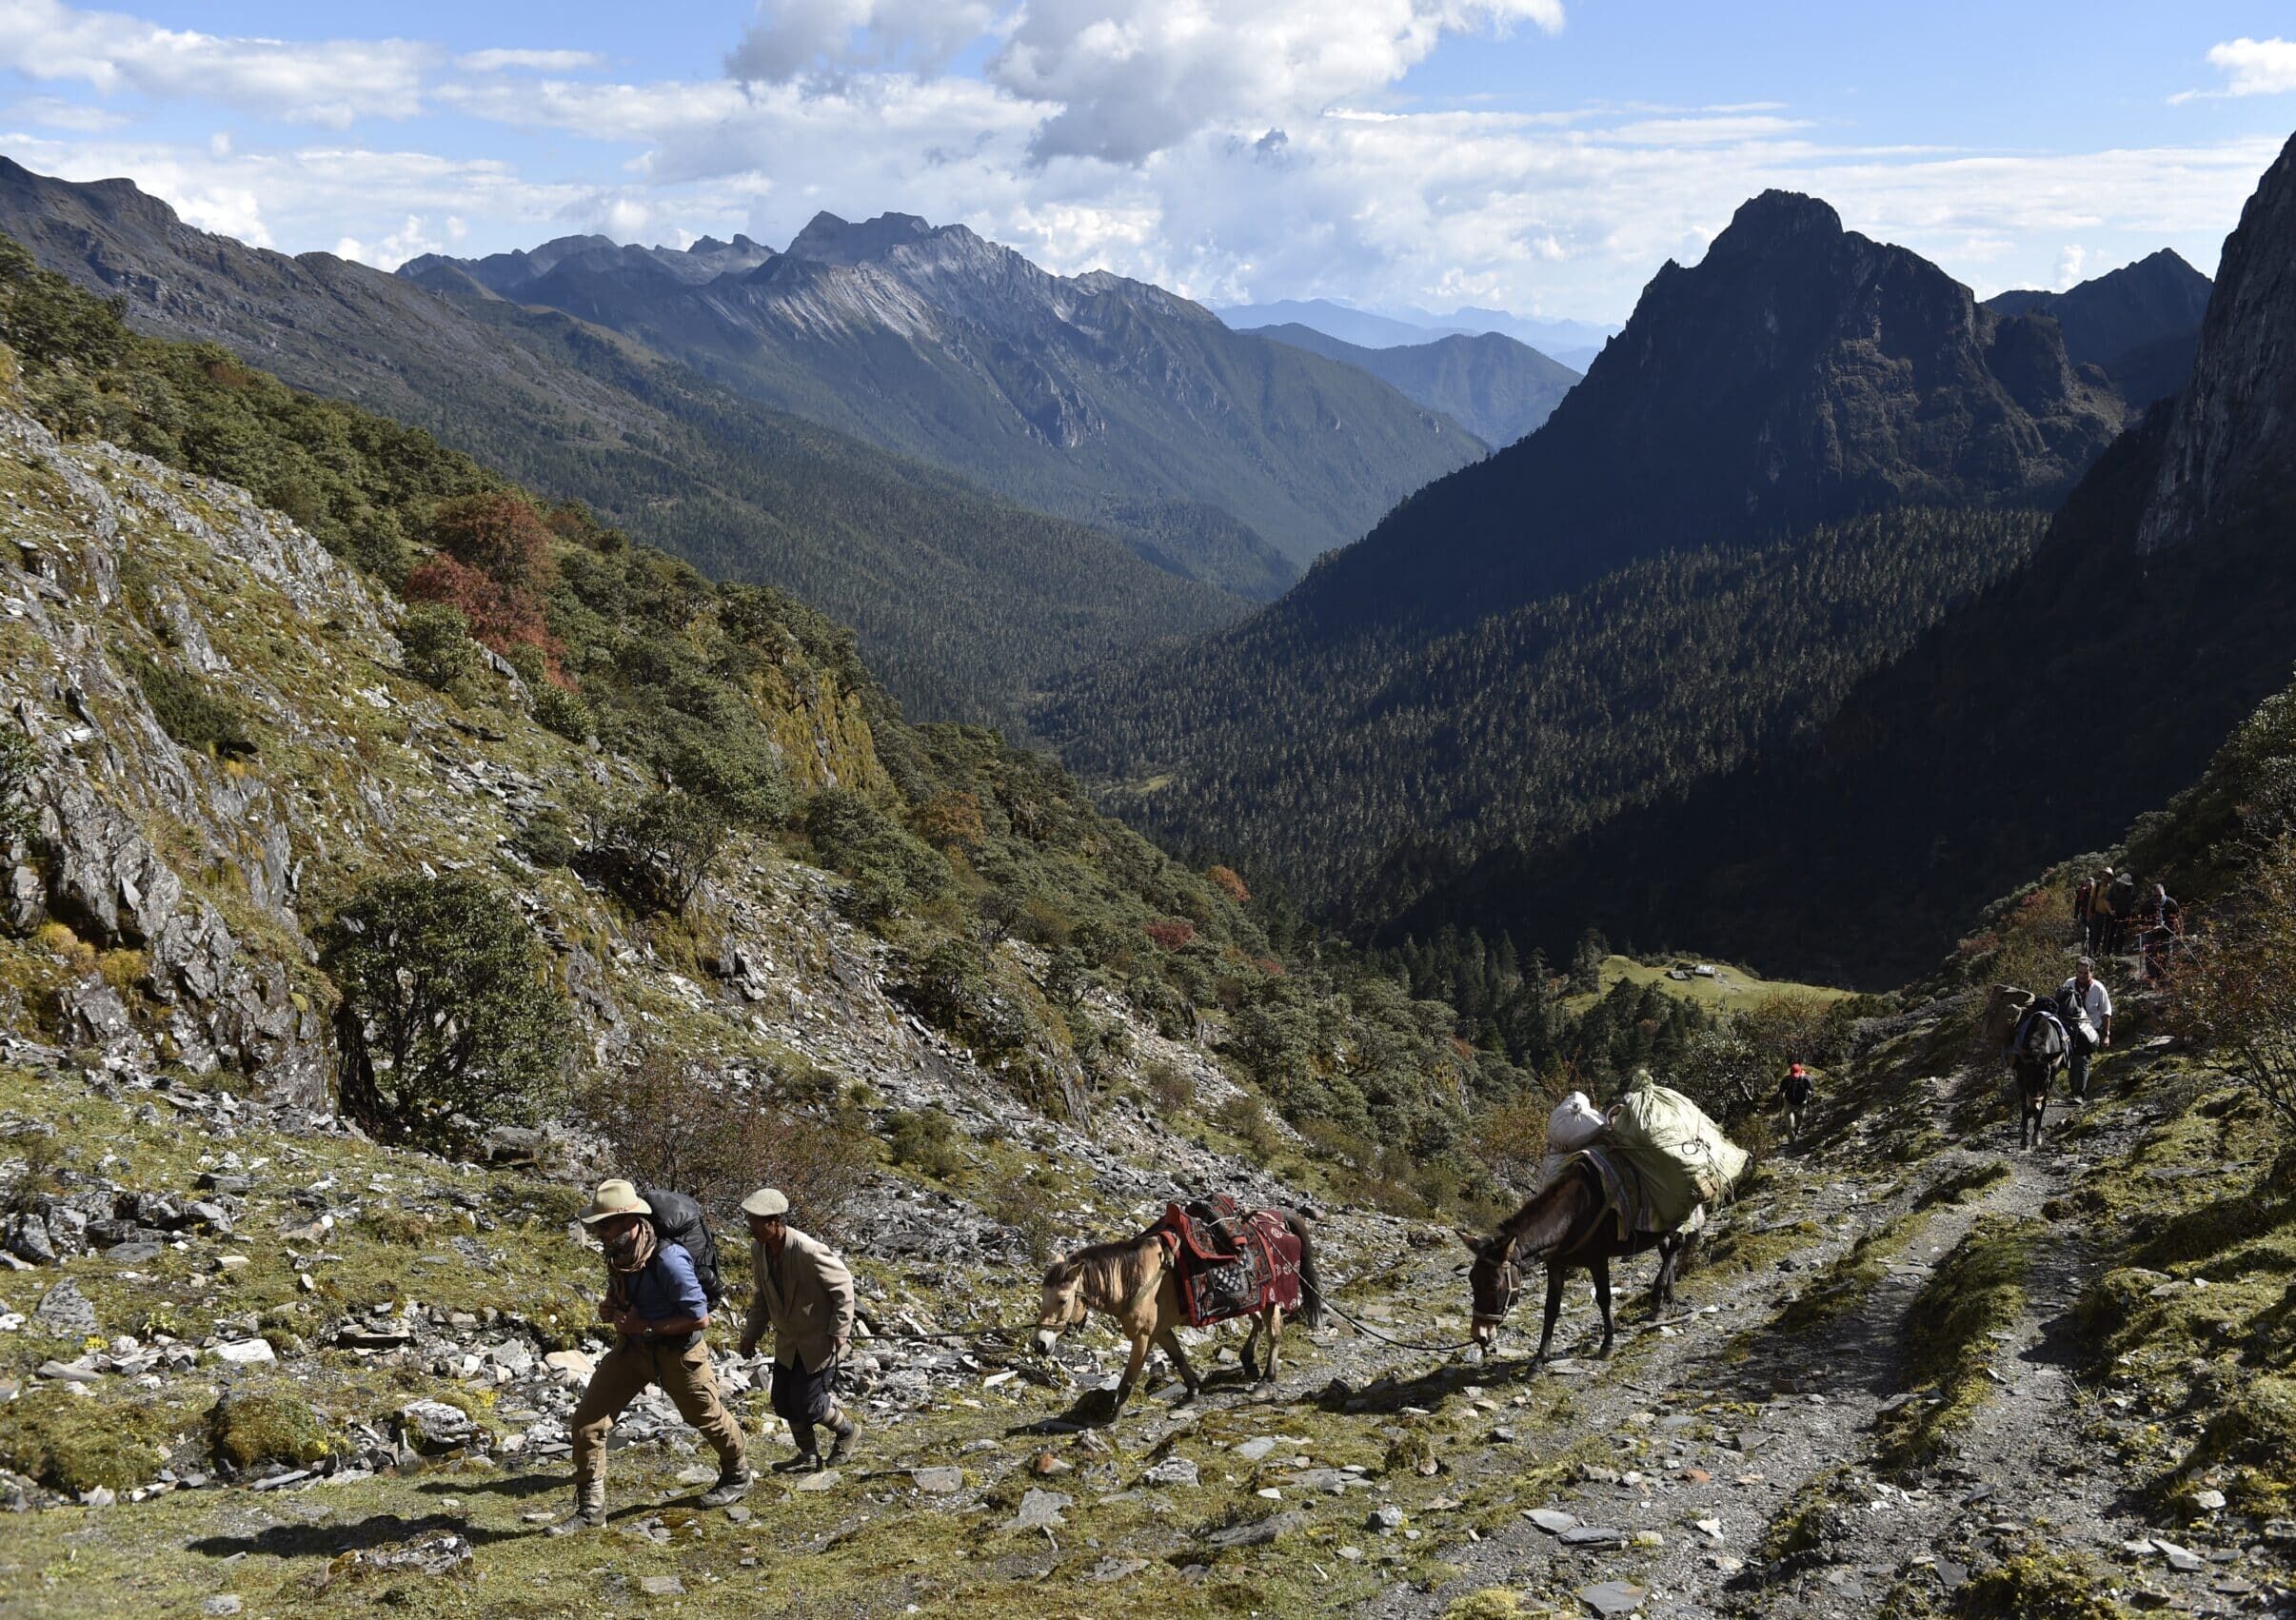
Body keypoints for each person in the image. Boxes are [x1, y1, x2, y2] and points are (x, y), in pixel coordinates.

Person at [552, 1180, 751, 1534]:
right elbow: (624, 1291)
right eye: (597, 1226)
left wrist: (646, 1325)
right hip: (632, 1351)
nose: (599, 1233)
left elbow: (699, 1317)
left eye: (605, 1225)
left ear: (629, 1220)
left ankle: (737, 1474)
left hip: (679, 1354)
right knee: (587, 1422)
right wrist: (612, 1306)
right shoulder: (618, 1253)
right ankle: (591, 1511)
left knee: (706, 1418)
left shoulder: (669, 1259)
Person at [738, 1187, 860, 1472]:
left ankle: (847, 1431)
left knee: (810, 1405)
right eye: (750, 1220)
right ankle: (807, 1454)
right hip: (788, 1342)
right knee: (783, 1402)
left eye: (757, 1221)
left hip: (818, 1342)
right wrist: (751, 1333)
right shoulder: (759, 1250)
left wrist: (840, 1328)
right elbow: (762, 1297)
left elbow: (843, 1287)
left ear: (776, 1221)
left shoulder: (808, 1250)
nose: (751, 1227)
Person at [2056, 957, 2112, 1103]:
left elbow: (2106, 1013)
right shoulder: (2069, 984)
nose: (2082, 976)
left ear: (2092, 973)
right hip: (2071, 1029)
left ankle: (2079, 1094)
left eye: (2086, 973)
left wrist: (2106, 1035)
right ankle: (2073, 1091)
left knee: (2081, 1058)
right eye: (2080, 973)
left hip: (2090, 1030)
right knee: (2071, 1059)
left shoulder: (2098, 989)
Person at [1780, 1062, 1814, 1141]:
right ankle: (1791, 1141)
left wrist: (1810, 1093)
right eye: (1793, 1075)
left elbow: (1812, 1090)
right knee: (1789, 1123)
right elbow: (1781, 1089)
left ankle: (1796, 1132)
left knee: (1799, 1121)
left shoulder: (1806, 1080)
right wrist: (1781, 1094)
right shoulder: (1786, 1080)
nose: (1795, 1077)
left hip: (1801, 1103)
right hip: (1789, 1102)